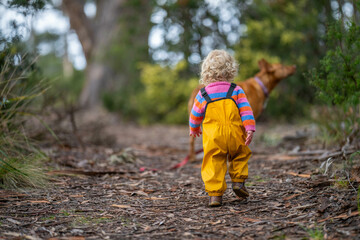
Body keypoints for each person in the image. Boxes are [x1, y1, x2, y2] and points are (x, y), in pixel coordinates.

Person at [189, 49, 255, 207]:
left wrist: (194, 128)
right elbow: (246, 111)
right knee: (240, 154)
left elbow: (195, 114)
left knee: (213, 161)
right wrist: (250, 128)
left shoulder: (203, 93)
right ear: (231, 69)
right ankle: (238, 182)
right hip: (235, 133)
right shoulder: (236, 90)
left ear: (206, 71)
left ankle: (215, 196)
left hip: (214, 138)